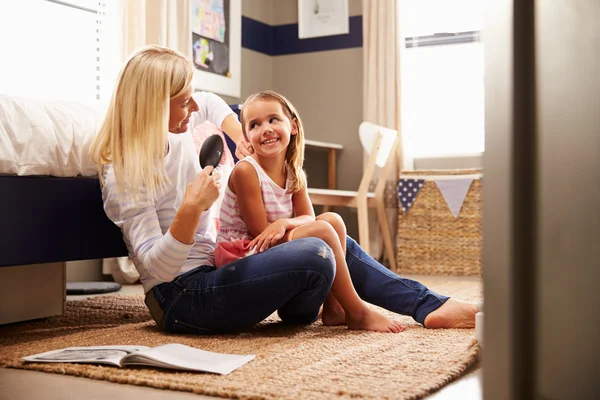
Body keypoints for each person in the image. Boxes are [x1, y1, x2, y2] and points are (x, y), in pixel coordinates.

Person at [91, 44, 477, 335]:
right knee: (316, 250)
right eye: (181, 100)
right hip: (179, 300)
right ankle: (355, 309)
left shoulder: (179, 127)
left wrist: (247, 141)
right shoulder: (124, 171)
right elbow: (156, 268)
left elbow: (209, 102)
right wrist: (190, 211)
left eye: (191, 95)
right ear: (152, 106)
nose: (193, 106)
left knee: (333, 235)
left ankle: (429, 306)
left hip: (215, 270)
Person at [215, 91, 404, 333]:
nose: (266, 129)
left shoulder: (293, 171)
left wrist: (284, 222)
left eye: (273, 119)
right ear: (247, 138)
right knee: (324, 229)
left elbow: (308, 218)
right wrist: (286, 226)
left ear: (293, 126)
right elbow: (259, 233)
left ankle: (334, 309)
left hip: (269, 239)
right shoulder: (246, 171)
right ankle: (357, 312)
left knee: (332, 220)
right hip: (243, 251)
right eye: (255, 124)